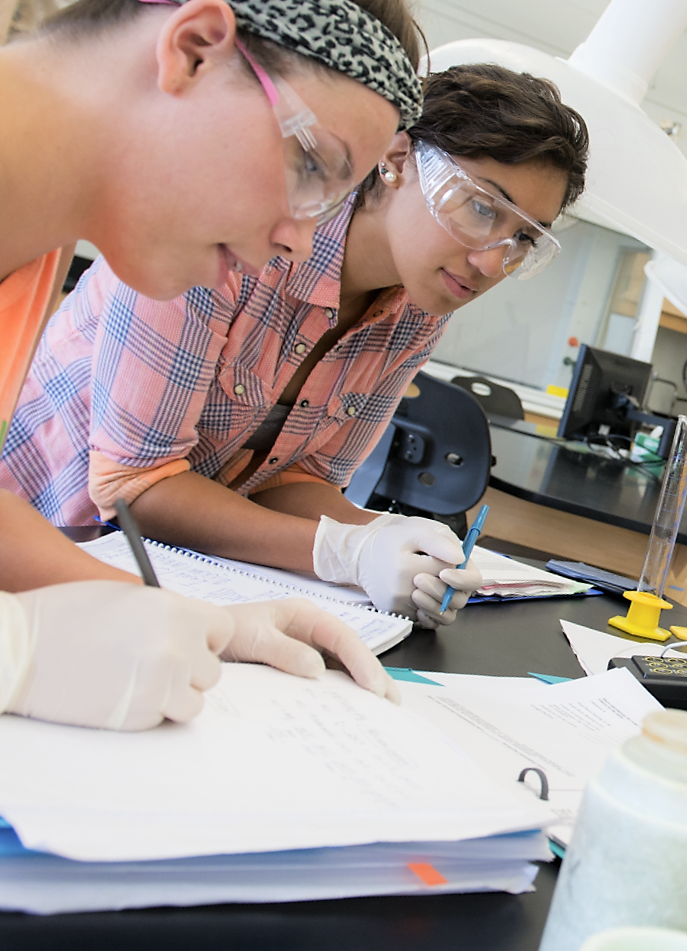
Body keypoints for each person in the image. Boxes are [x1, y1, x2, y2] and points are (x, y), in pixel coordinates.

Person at [1, 63, 588, 629]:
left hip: (168, 577)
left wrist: (391, 542)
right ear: (397, 158)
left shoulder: (418, 309)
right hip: (44, 540)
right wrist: (346, 553)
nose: (492, 262)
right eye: (482, 207)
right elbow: (136, 486)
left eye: (522, 240)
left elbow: (296, 479)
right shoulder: (238, 235)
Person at [0, 0, 425, 729]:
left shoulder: (33, 247)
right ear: (195, 50)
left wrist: (176, 610)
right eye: (309, 165)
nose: (297, 242)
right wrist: (19, 650)